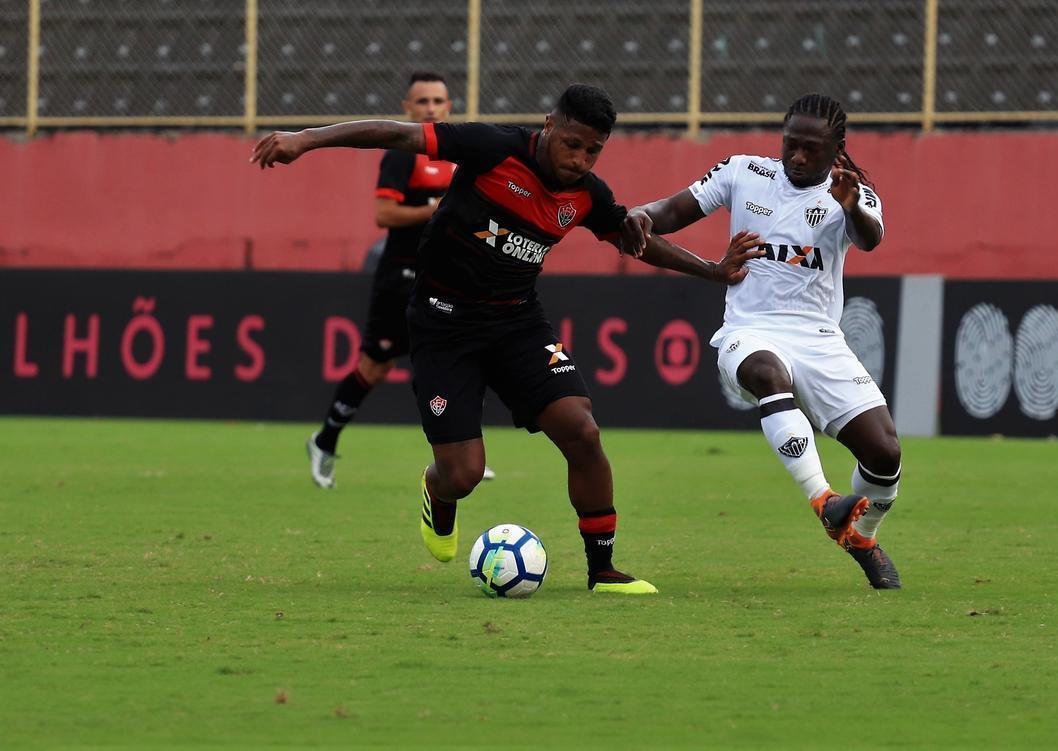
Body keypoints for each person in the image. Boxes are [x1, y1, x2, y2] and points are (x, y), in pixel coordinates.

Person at [253, 83, 761, 594]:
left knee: (581, 429)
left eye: (593, 151)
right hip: (442, 323)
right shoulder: (491, 148)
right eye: (573, 144)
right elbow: (396, 134)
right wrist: (307, 139)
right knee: (465, 473)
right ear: (549, 125)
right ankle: (437, 487)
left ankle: (602, 570)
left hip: (517, 323)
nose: (581, 159)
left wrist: (713, 271)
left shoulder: (588, 195)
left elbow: (639, 242)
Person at [620, 93, 903, 589]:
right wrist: (643, 213)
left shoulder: (854, 195)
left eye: (810, 149)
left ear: (836, 148)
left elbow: (871, 239)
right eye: (790, 144)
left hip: (819, 338)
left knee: (885, 454)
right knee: (769, 373)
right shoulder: (743, 172)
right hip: (748, 331)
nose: (796, 157)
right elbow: (670, 211)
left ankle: (861, 536)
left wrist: (852, 206)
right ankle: (823, 499)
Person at [305, 72, 495, 489]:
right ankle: (324, 440)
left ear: (449, 107)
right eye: (422, 101)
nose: (431, 108)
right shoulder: (401, 155)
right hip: (400, 276)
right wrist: (437, 211)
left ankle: (463, 449)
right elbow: (383, 216)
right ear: (407, 108)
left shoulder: (461, 155)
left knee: (462, 356)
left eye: (438, 101)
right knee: (374, 367)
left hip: (447, 277)